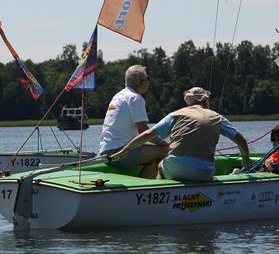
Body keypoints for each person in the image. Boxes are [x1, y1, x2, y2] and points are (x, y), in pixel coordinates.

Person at [110, 87, 251, 181]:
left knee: (160, 165)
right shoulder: (217, 117)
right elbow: (242, 141)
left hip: (176, 168)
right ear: (205, 101)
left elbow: (148, 134)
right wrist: (246, 164)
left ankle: (161, 196)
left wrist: (125, 150)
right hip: (204, 172)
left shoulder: (175, 114)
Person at [98, 65, 168, 178]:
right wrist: (164, 143)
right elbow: (143, 131)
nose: (148, 82)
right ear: (142, 81)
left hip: (105, 150)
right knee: (166, 150)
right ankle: (151, 189)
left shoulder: (118, 96)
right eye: (148, 79)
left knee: (152, 161)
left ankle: (145, 186)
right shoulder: (135, 98)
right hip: (120, 152)